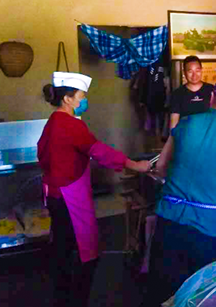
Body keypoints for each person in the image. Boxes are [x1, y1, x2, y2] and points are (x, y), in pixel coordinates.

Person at [143, 69, 216, 306]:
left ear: (212, 97)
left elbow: (161, 167)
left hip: (168, 220)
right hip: (207, 230)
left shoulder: (185, 124)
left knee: (163, 289)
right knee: (200, 294)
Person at [37, 72, 151, 307]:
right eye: (81, 96)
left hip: (55, 192)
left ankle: (61, 294)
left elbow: (44, 153)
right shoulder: (69, 124)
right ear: (68, 99)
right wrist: (134, 165)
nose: (84, 101)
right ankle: (75, 299)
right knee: (82, 248)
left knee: (62, 244)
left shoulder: (53, 121)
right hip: (68, 194)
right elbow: (98, 151)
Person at [169, 55, 215, 129]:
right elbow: (174, 122)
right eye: (190, 71)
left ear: (201, 70)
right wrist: (172, 135)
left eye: (197, 71)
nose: (194, 75)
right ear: (184, 72)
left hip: (208, 134)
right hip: (186, 133)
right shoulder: (177, 94)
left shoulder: (211, 90)